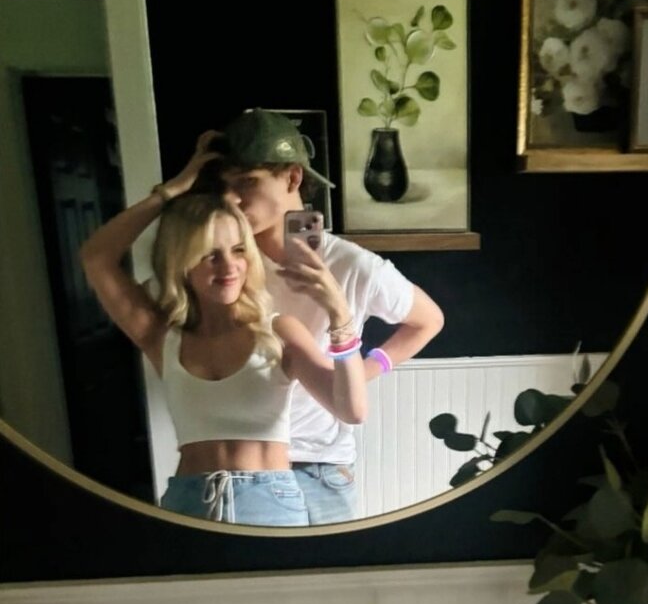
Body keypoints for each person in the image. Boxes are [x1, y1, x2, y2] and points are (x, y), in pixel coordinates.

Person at [79, 133, 367, 527]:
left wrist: (339, 316)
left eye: (238, 251)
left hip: (272, 502)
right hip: (188, 503)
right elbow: (96, 257)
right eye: (209, 254)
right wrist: (172, 190)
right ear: (183, 262)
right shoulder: (162, 336)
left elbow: (351, 410)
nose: (229, 267)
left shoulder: (280, 332)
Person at [216, 108, 445, 524]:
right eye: (225, 184)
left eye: (247, 182)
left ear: (292, 178)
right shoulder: (224, 263)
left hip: (318, 466)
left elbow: (428, 320)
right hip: (242, 461)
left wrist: (366, 369)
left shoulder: (352, 266)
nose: (232, 198)